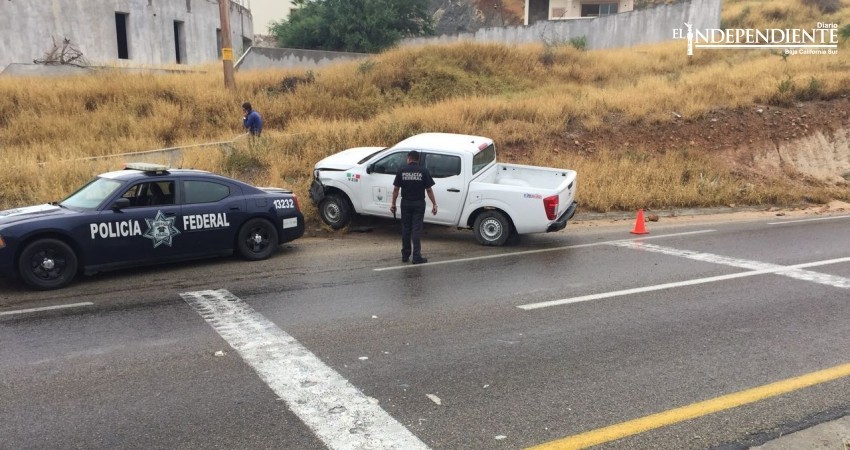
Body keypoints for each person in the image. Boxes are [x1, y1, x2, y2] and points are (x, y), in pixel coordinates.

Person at [390, 151, 437, 264]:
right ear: (417, 159)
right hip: (419, 204)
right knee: (416, 229)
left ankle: (405, 255)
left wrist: (393, 204)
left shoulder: (402, 170)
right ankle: (416, 257)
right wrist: (434, 204)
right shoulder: (423, 171)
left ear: (409, 158)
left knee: (406, 229)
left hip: (405, 203)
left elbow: (396, 189)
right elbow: (429, 189)